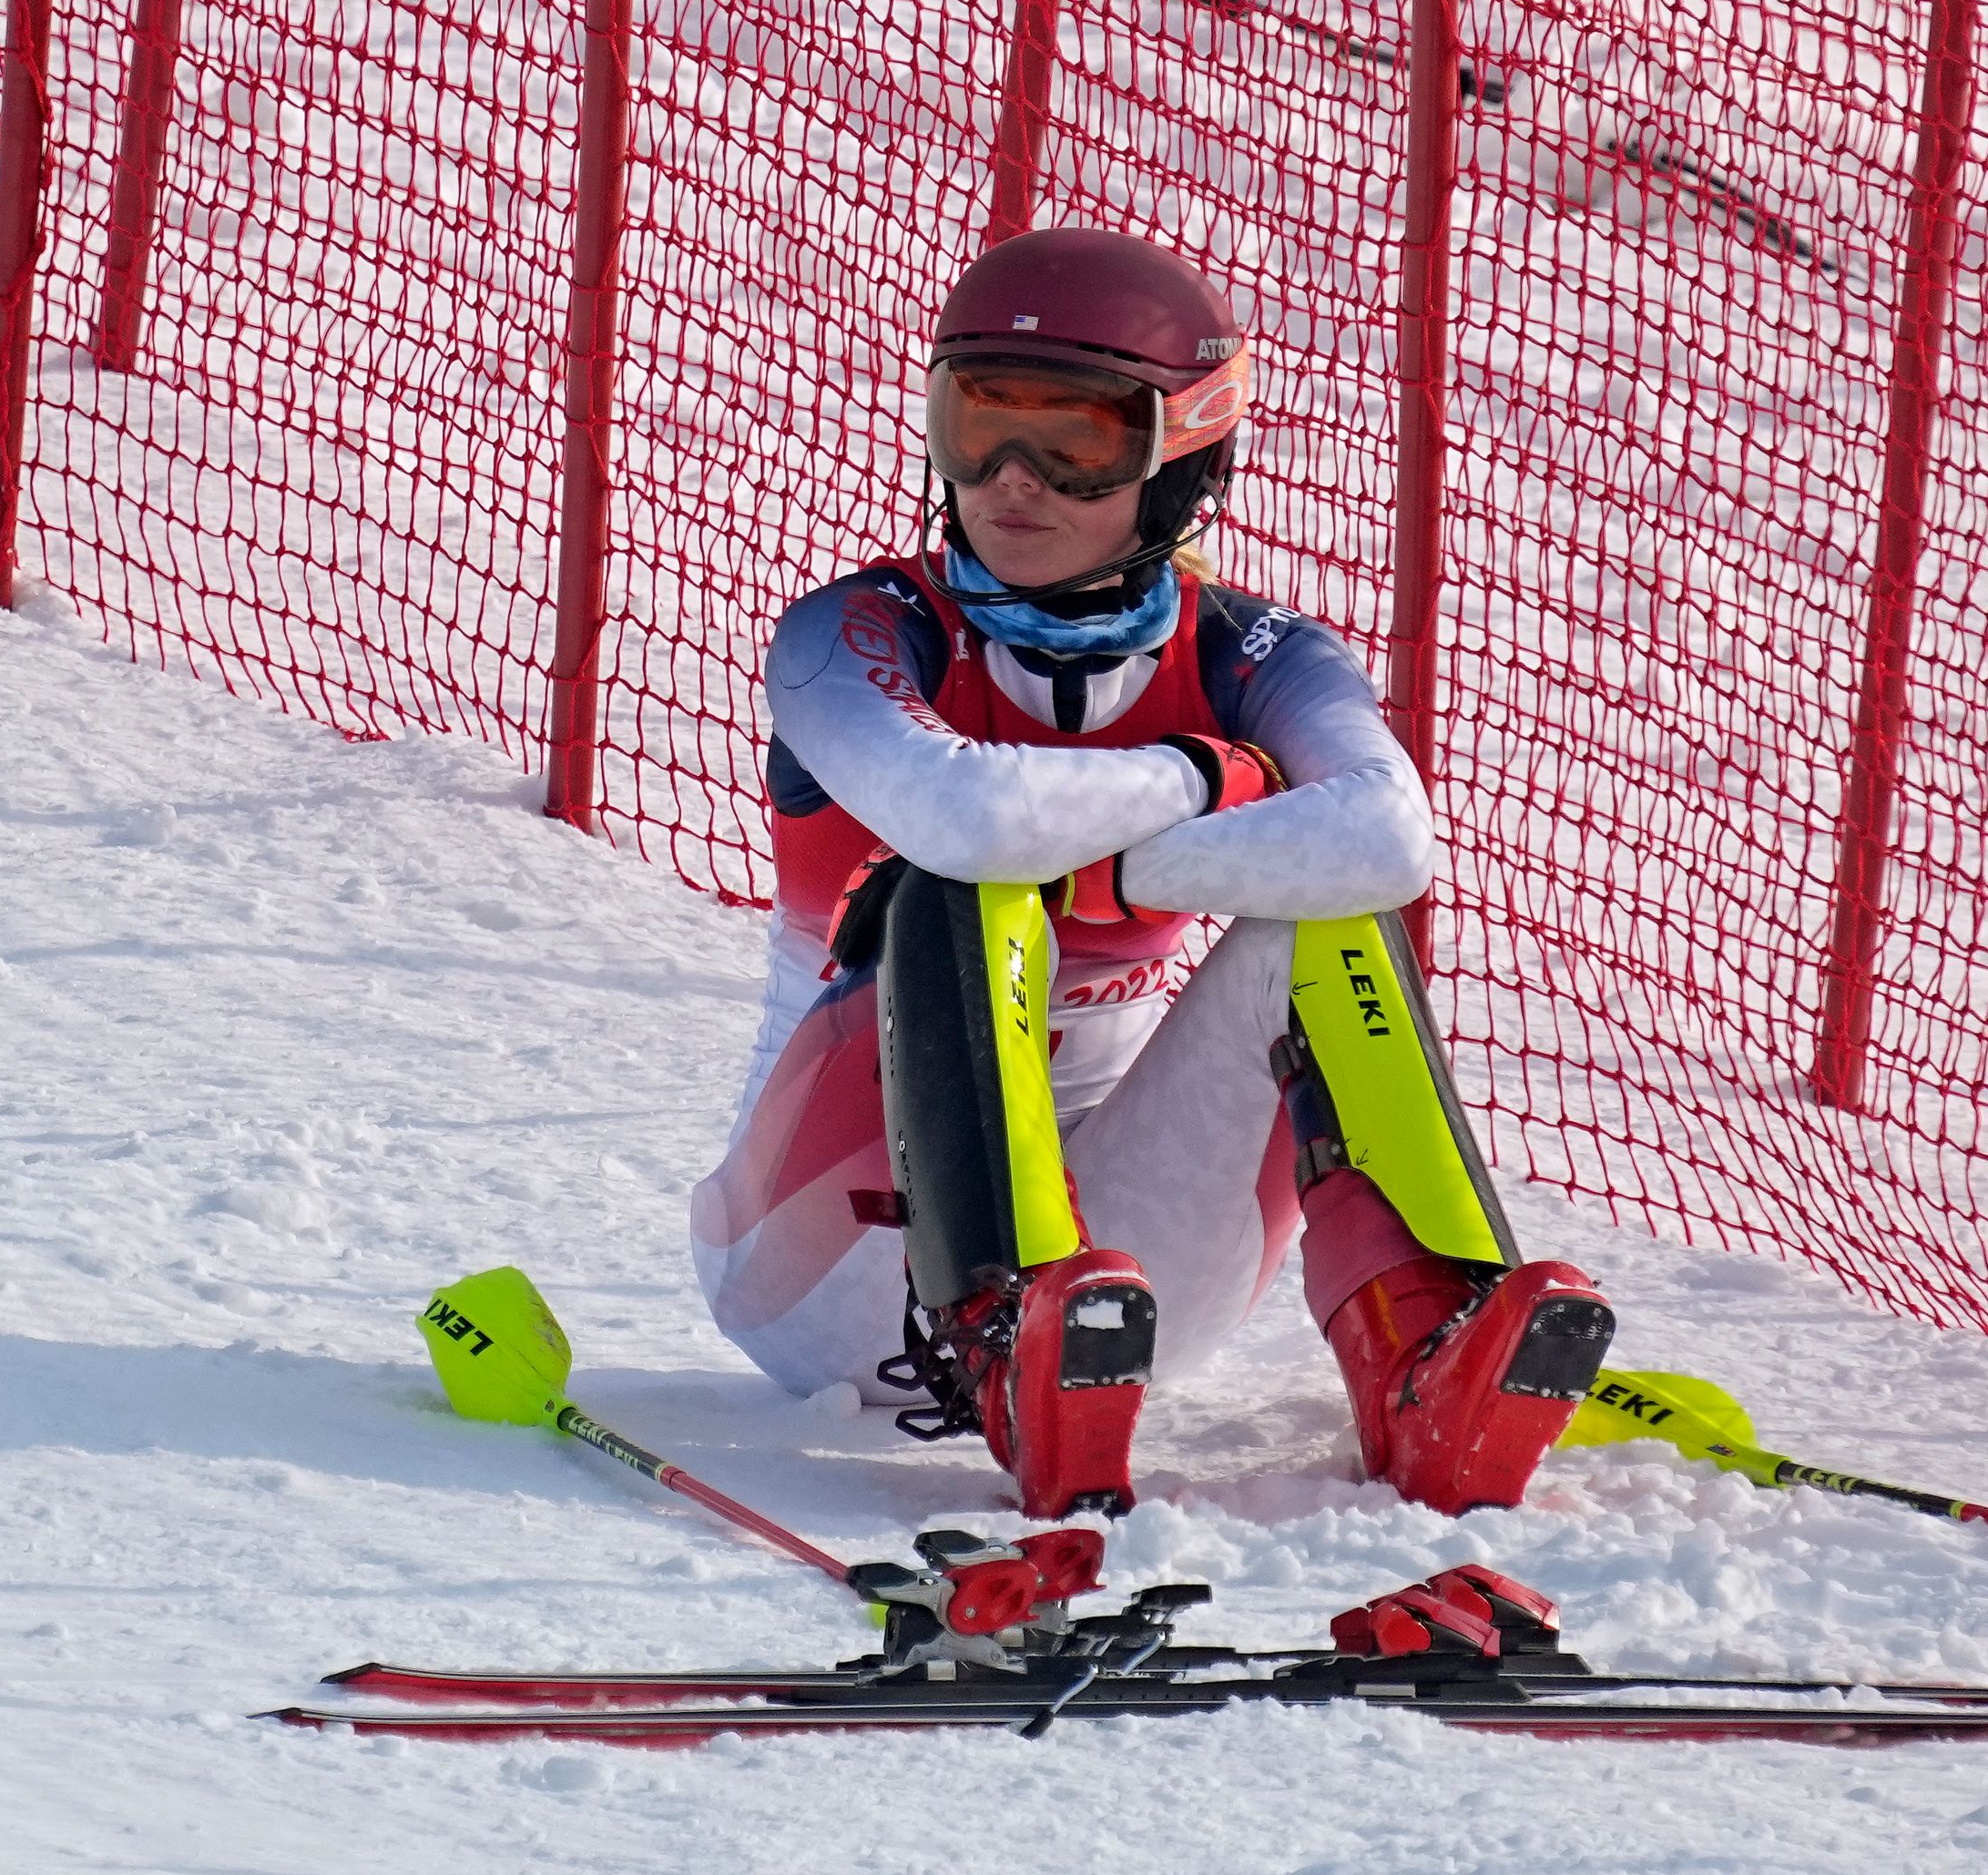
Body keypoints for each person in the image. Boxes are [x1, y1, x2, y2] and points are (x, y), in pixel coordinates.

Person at [688, 228, 1614, 1522]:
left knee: (1325, 920)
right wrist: (1206, 780)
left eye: (1078, 444)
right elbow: (961, 811)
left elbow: (1388, 836)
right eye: (978, 426)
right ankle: (999, 1324)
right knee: (961, 882)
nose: (1013, 483)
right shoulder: (851, 631)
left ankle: (1424, 1347)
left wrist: (1099, 861)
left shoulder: (1258, 649)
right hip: (821, 1261)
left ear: (1181, 454)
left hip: (1120, 1293)